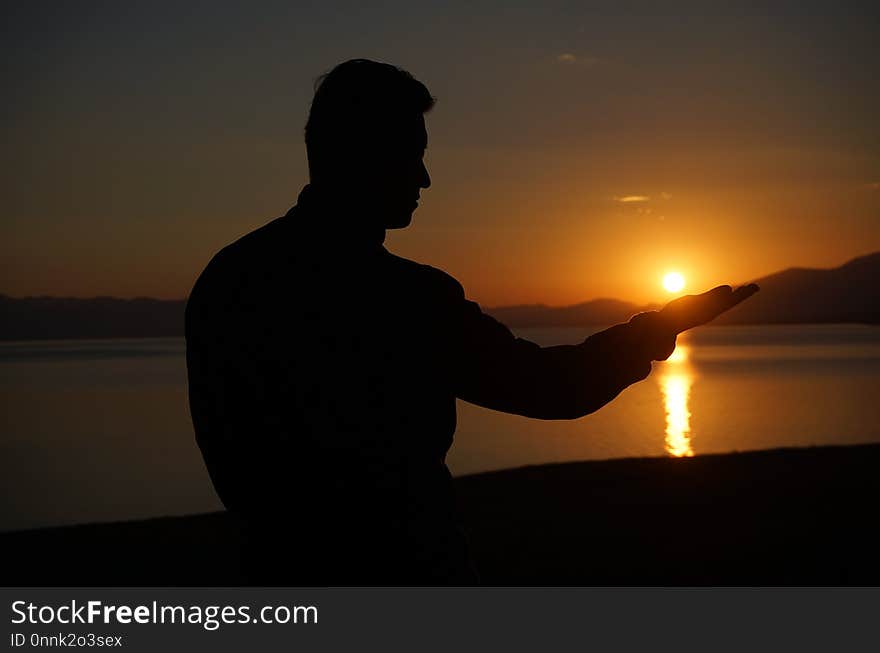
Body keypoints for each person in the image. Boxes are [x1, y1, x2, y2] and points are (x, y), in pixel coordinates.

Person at [184, 59, 757, 585]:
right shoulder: (405, 298)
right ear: (359, 154)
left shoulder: (229, 280)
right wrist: (658, 329)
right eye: (411, 153)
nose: (425, 179)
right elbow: (550, 386)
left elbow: (227, 451)